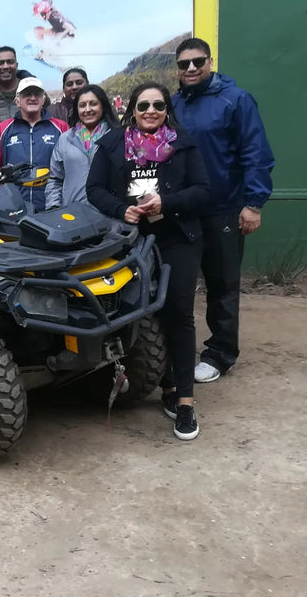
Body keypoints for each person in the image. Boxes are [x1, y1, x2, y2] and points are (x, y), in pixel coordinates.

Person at [87, 82, 210, 440]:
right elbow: (94, 188)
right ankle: (165, 380)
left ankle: (184, 401)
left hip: (178, 240)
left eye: (158, 105)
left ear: (167, 108)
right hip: (130, 241)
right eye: (143, 106)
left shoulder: (183, 144)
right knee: (141, 312)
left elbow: (203, 190)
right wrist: (120, 208)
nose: (151, 111)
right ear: (132, 110)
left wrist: (166, 204)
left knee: (179, 314)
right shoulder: (112, 145)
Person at [171, 38, 275, 383]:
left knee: (222, 285)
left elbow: (256, 154)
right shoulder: (172, 105)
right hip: (183, 211)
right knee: (177, 285)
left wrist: (253, 204)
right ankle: (175, 350)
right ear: (176, 67)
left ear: (210, 62)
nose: (191, 69)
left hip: (224, 209)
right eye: (184, 63)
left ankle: (220, 354)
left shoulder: (237, 100)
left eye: (197, 61)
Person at [0, 77, 68, 212]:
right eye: (27, 94)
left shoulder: (61, 128)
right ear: (17, 101)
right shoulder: (2, 129)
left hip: (52, 206)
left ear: (43, 100)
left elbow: (70, 166)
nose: (32, 98)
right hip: (13, 208)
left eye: (37, 94)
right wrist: (1, 198)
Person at [46, 84, 119, 209]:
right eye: (82, 105)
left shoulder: (117, 137)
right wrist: (54, 207)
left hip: (110, 214)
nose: (88, 109)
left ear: (103, 106)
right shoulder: (65, 139)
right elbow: (55, 179)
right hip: (72, 214)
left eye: (93, 104)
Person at [0, 46, 34, 121]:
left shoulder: (32, 91)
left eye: (10, 62)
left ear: (17, 65)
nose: (5, 66)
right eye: (0, 63)